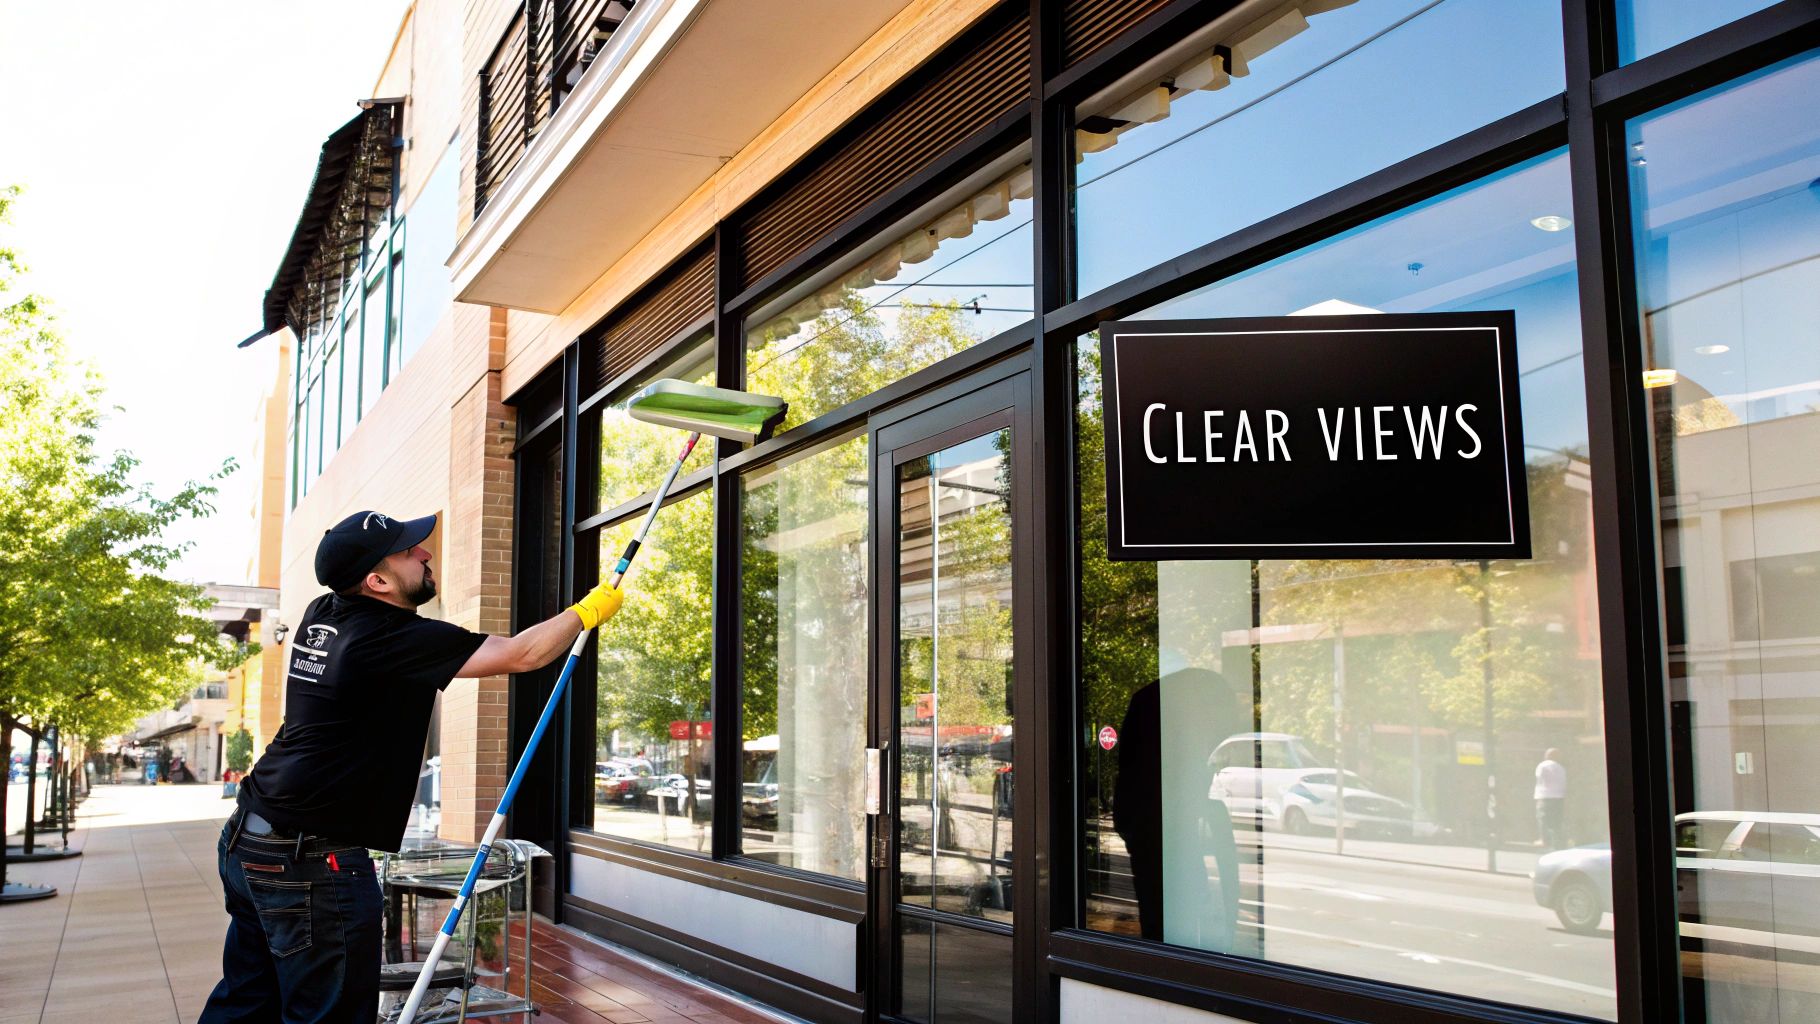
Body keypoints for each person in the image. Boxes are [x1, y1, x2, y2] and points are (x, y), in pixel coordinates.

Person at [199, 510, 624, 1024]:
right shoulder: (387, 638)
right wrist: (588, 610)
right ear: (376, 581)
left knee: (247, 1002)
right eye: (408, 551)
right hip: (309, 863)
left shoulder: (323, 612)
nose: (425, 553)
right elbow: (523, 654)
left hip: (252, 839)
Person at [1534, 747, 1568, 851]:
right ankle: (1558, 843)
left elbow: (1539, 777)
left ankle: (1544, 840)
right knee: (1557, 821)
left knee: (1543, 818)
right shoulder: (1561, 768)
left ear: (1548, 755)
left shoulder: (1542, 765)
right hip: (1559, 797)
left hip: (1545, 796)